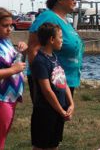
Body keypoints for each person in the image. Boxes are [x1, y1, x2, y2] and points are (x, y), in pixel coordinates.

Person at [27, 0, 84, 98]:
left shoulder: (65, 21)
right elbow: (33, 49)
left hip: (65, 80)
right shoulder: (47, 17)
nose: (75, 2)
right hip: (51, 82)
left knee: (62, 115)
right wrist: (40, 81)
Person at [0, 7, 27, 150]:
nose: (10, 29)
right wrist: (13, 70)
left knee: (0, 138)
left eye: (11, 25)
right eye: (5, 25)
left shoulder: (5, 41)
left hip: (10, 98)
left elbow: (13, 62)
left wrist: (21, 52)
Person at [30, 22, 74, 150]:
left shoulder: (54, 57)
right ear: (51, 39)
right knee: (41, 146)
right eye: (60, 37)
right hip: (45, 112)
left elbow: (63, 82)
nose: (62, 40)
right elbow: (47, 90)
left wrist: (71, 104)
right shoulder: (40, 61)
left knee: (54, 144)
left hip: (58, 111)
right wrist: (61, 110)